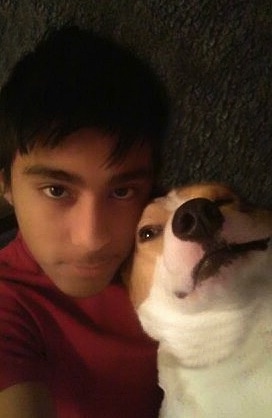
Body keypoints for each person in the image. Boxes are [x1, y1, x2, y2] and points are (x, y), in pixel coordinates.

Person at [0, 25, 169, 418]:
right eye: (57, 191)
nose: (92, 238)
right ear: (6, 184)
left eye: (122, 191)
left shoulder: (185, 241)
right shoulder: (10, 303)